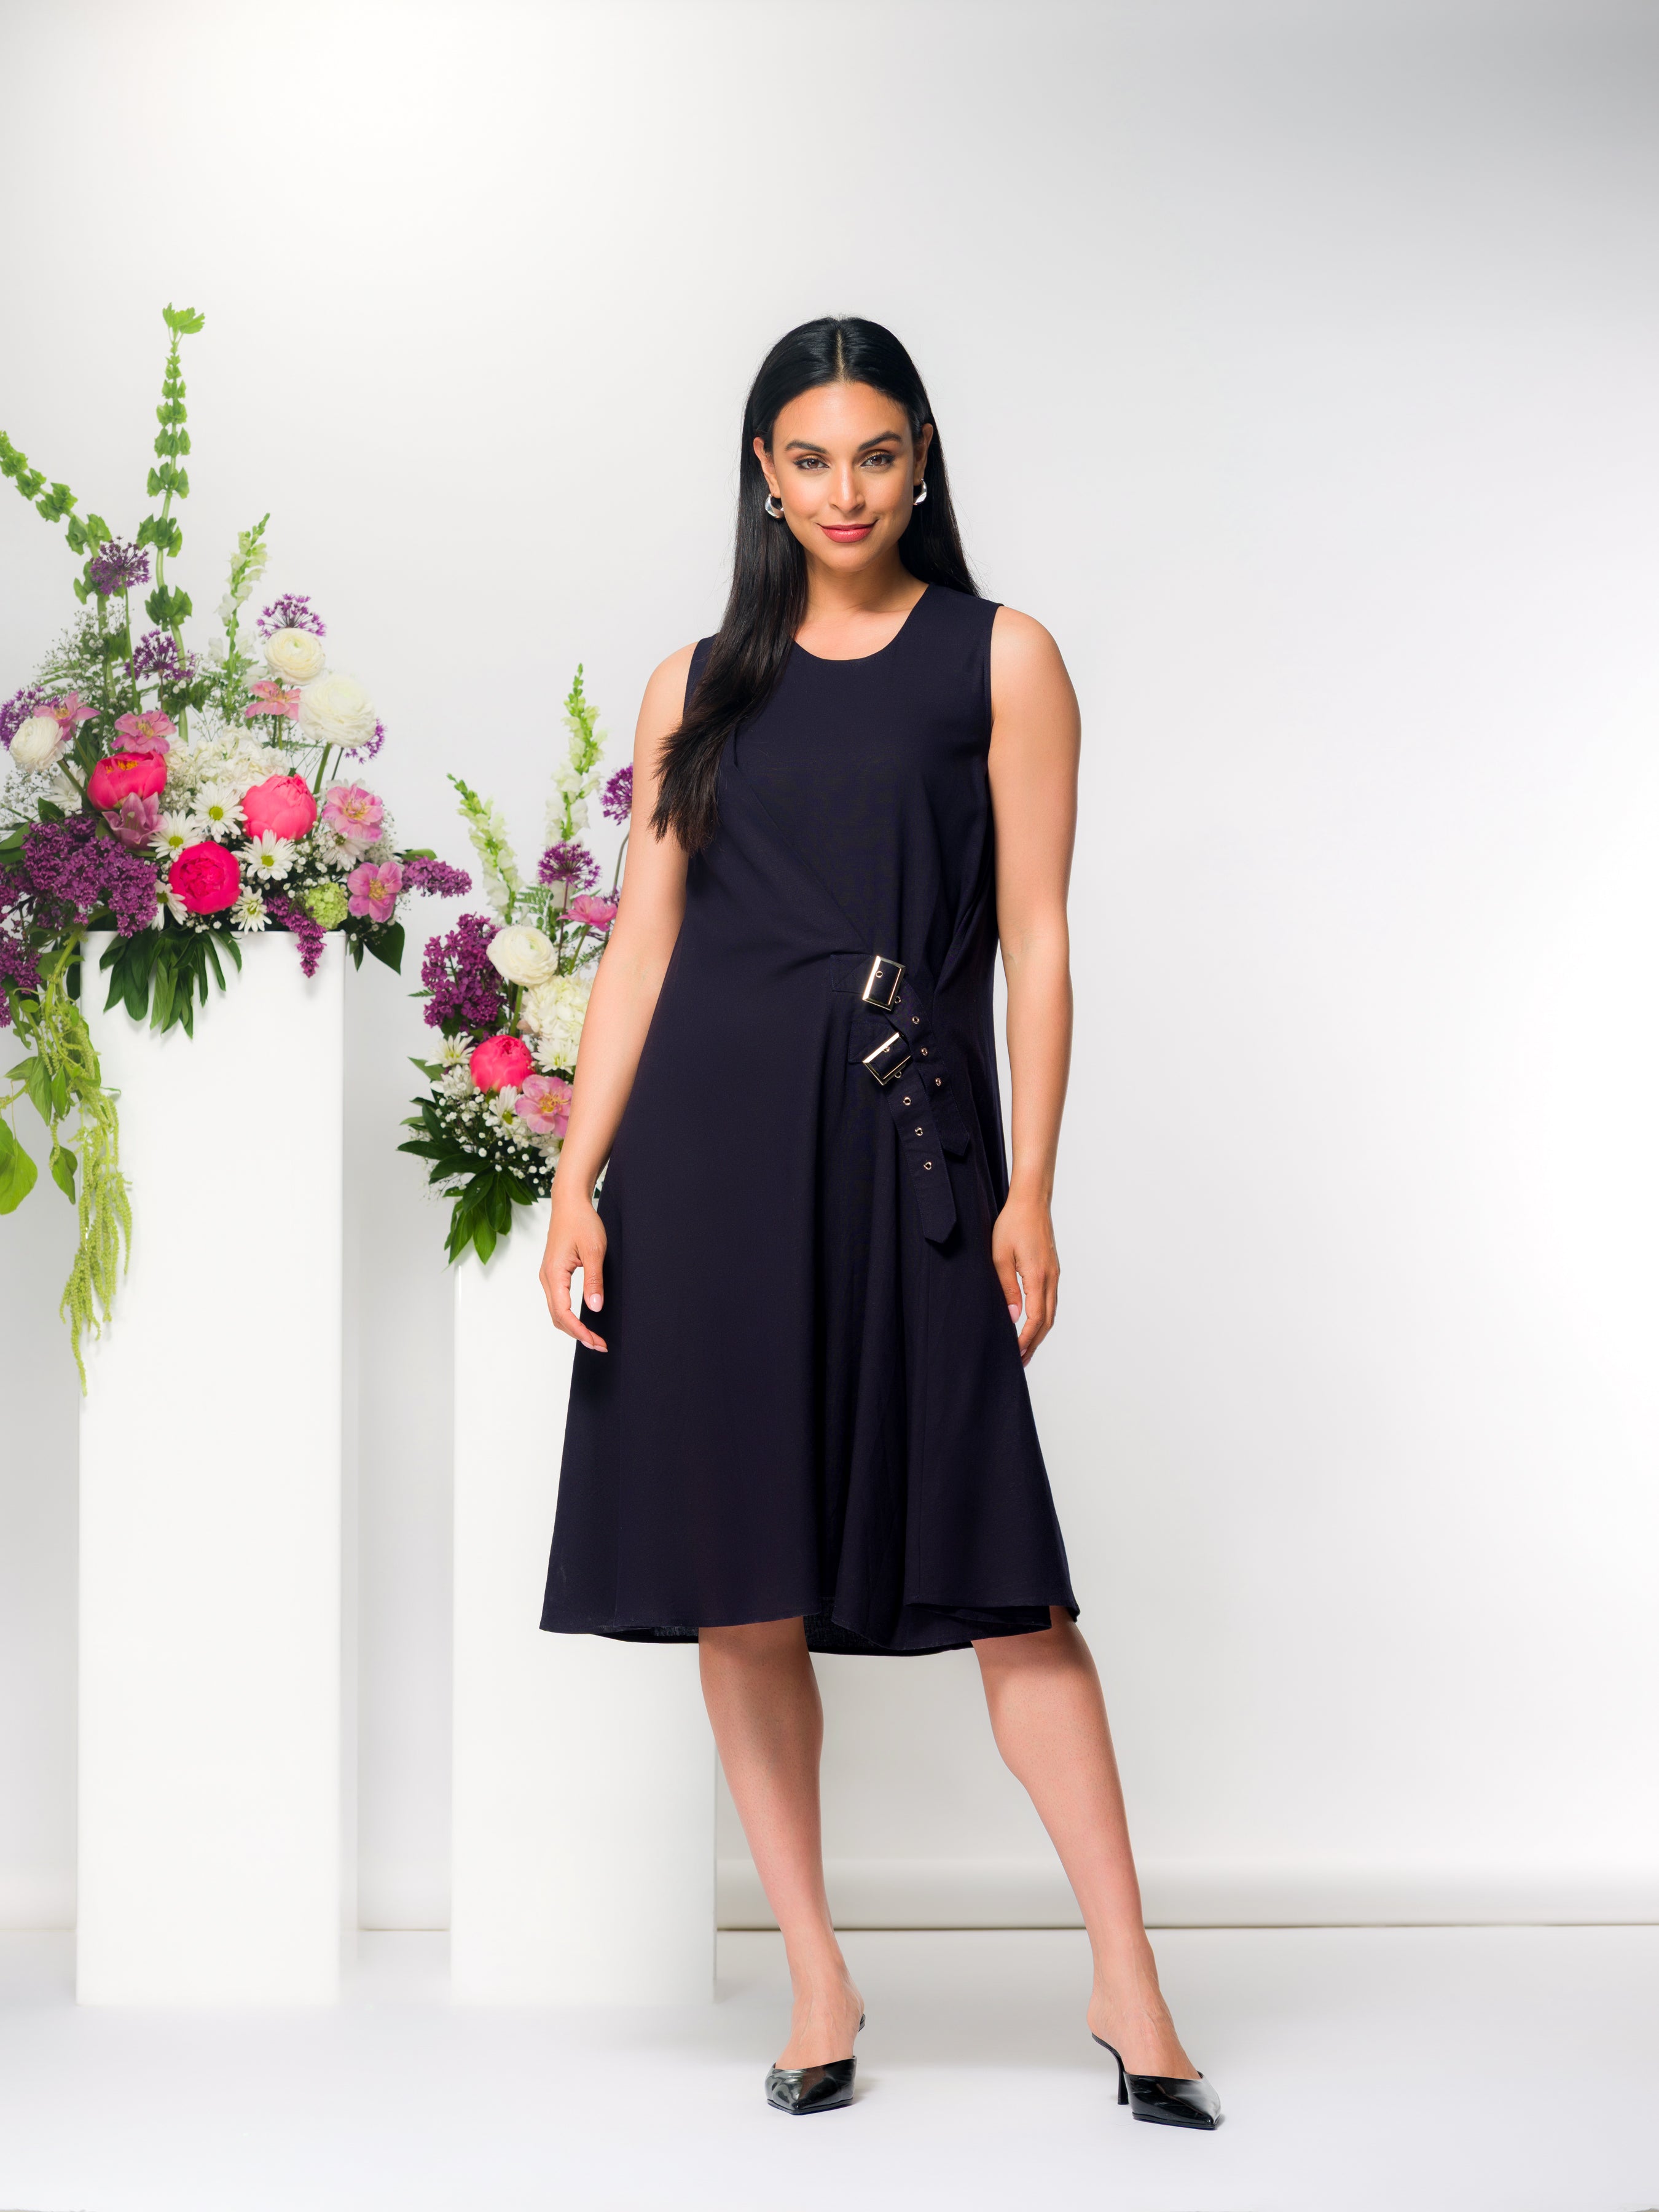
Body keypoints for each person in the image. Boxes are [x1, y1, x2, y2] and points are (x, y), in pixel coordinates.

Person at [537, 317, 1220, 2131]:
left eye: (878, 454)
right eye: (810, 458)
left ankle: (1130, 1984)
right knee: (740, 1585)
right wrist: (576, 1178)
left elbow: (1041, 939)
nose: (845, 491)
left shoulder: (1001, 658)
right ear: (764, 477)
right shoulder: (695, 682)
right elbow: (642, 942)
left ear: (921, 465)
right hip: (707, 1158)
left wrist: (1032, 1185)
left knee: (1013, 1590)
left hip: (908, 1140)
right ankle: (817, 1979)